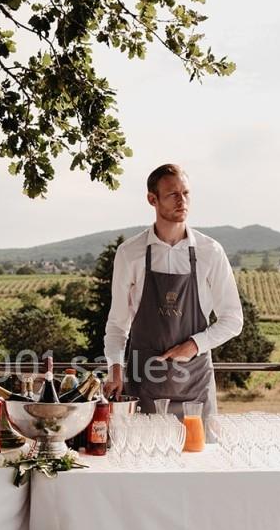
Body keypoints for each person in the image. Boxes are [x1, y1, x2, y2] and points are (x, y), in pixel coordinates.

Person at [102, 163, 243, 421]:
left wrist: (193, 345)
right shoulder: (129, 253)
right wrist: (115, 369)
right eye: (172, 194)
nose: (182, 201)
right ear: (152, 199)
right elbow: (117, 324)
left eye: (186, 193)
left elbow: (233, 320)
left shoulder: (210, 251)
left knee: (199, 459)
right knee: (143, 457)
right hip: (144, 385)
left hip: (195, 387)